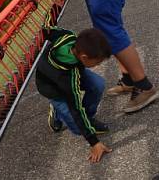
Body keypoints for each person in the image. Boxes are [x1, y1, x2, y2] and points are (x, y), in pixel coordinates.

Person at [35, 26, 112, 163]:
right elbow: (76, 108)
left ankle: (87, 119)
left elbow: (48, 30)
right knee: (78, 128)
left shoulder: (69, 37)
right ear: (84, 57)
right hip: (53, 89)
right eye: (97, 62)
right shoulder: (69, 78)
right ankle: (57, 112)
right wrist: (94, 142)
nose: (98, 65)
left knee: (97, 85)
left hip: (68, 73)